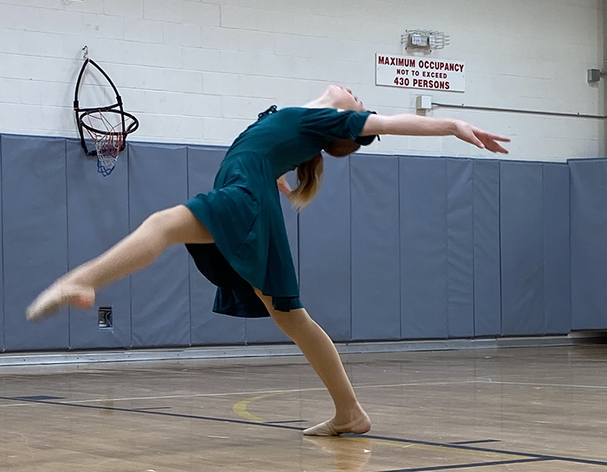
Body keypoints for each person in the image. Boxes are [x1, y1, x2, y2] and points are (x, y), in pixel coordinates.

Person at [26, 84, 510, 436]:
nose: (357, 95)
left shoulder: (323, 123)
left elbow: (389, 124)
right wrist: (279, 175)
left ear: (347, 122)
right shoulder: (295, 115)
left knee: (163, 224)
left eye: (361, 102)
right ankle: (350, 413)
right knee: (293, 319)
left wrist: (451, 124)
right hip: (250, 197)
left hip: (245, 199)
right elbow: (265, 151)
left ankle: (81, 280)